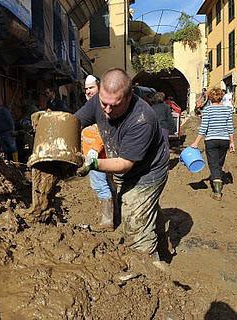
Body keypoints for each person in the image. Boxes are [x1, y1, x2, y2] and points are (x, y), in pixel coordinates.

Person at [74, 68, 169, 265]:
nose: (107, 110)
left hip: (147, 173)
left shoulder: (142, 119)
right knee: (142, 210)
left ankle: (148, 271)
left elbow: (125, 164)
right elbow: (76, 121)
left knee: (135, 227)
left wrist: (93, 163)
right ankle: (162, 242)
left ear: (129, 97)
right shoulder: (100, 101)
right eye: (103, 104)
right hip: (123, 165)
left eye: (114, 106)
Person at [81, 75, 115, 230]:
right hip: (94, 153)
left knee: (101, 185)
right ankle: (115, 214)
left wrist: (94, 150)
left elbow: (105, 131)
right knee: (107, 184)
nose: (88, 91)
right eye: (86, 88)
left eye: (91, 88)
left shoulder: (103, 106)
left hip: (98, 155)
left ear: (99, 87)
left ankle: (107, 221)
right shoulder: (91, 105)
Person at [191, 88, 235, 201]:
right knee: (219, 162)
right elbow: (230, 127)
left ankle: (217, 191)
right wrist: (232, 142)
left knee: (213, 163)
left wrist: (196, 142)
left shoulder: (207, 110)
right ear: (221, 97)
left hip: (211, 140)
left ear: (210, 98)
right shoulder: (227, 110)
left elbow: (203, 128)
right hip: (224, 140)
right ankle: (217, 177)